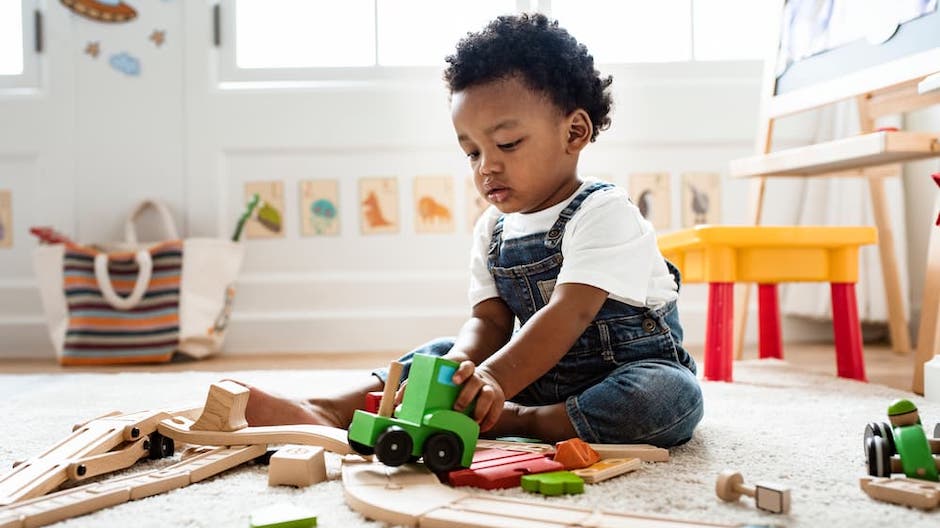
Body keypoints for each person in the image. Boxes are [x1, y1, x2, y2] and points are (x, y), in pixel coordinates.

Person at [240, 12, 703, 447]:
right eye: (472, 152)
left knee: (666, 397)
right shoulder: (493, 229)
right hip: (532, 374)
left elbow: (569, 314)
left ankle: (523, 421)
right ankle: (329, 409)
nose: (487, 166)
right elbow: (489, 322)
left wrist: (495, 381)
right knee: (439, 354)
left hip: (621, 371)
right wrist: (459, 368)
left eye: (506, 143)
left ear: (574, 133)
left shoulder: (604, 211)